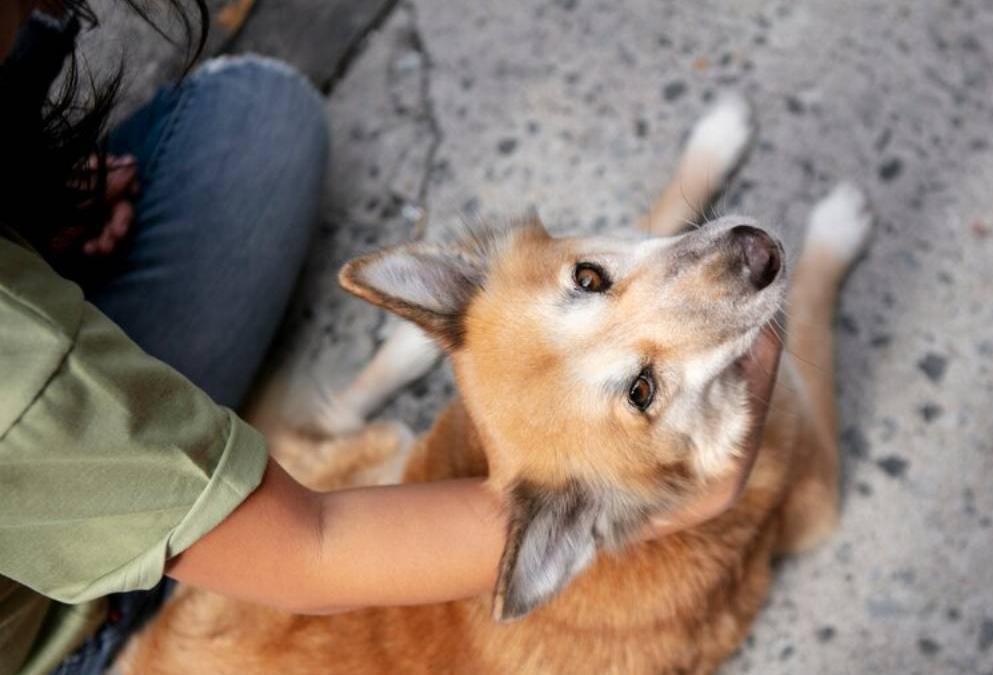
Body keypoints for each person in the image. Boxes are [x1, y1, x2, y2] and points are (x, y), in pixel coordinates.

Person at [0, 2, 783, 674]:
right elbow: (313, 546)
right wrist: (655, 506)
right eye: (640, 387)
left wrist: (30, 206)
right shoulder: (21, 383)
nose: (725, 263)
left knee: (259, 113)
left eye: (589, 281)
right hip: (63, 605)